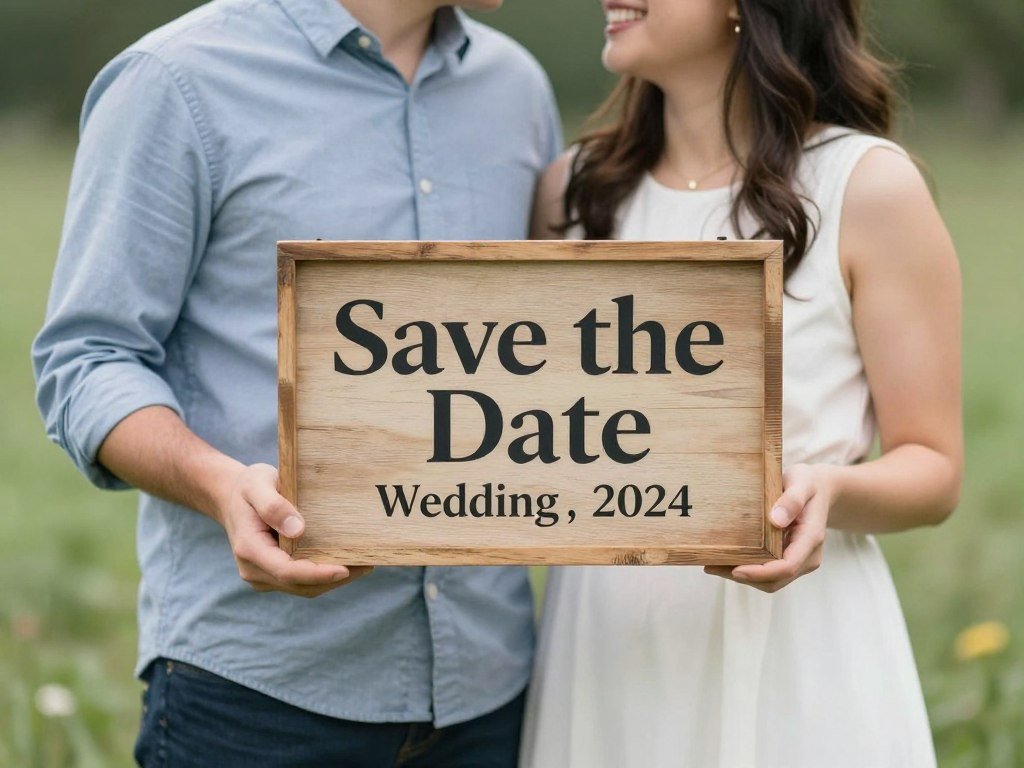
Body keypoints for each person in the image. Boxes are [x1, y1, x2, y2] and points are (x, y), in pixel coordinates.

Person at [32, 0, 561, 765]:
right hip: (257, 701)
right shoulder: (177, 80)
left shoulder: (516, 86)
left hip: (490, 689)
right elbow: (87, 357)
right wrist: (219, 484)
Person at [522, 0, 961, 766]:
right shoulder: (574, 193)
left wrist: (825, 490)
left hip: (795, 635)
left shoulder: (867, 187)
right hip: (604, 646)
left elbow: (935, 467)